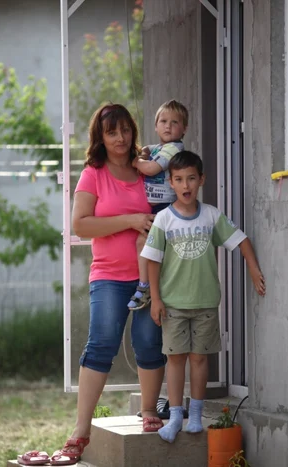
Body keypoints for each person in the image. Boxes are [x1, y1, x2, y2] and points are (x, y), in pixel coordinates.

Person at [18, 103, 166, 466]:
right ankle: (80, 430)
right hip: (109, 276)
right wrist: (130, 219)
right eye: (112, 132)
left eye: (126, 130)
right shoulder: (93, 174)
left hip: (150, 274)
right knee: (101, 344)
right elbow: (80, 225)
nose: (121, 138)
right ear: (100, 137)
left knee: (149, 342)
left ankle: (149, 412)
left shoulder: (146, 170)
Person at [141, 150, 266, 444]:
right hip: (172, 305)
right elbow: (152, 261)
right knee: (175, 360)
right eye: (179, 179)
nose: (186, 185)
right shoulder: (163, 220)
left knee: (199, 360)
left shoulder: (212, 215)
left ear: (202, 180)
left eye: (191, 179)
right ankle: (174, 417)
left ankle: (195, 416)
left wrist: (253, 268)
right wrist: (156, 300)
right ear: (171, 182)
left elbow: (242, 240)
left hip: (206, 304)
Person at [127, 99, 188, 311]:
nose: (167, 126)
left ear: (184, 129)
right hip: (154, 207)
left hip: (164, 207)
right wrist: (143, 153)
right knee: (146, 245)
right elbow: (146, 150)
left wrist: (136, 162)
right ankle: (150, 285)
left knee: (143, 243)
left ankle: (145, 287)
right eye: (163, 121)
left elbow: (152, 168)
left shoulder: (174, 149)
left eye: (174, 122)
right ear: (155, 125)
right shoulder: (160, 147)